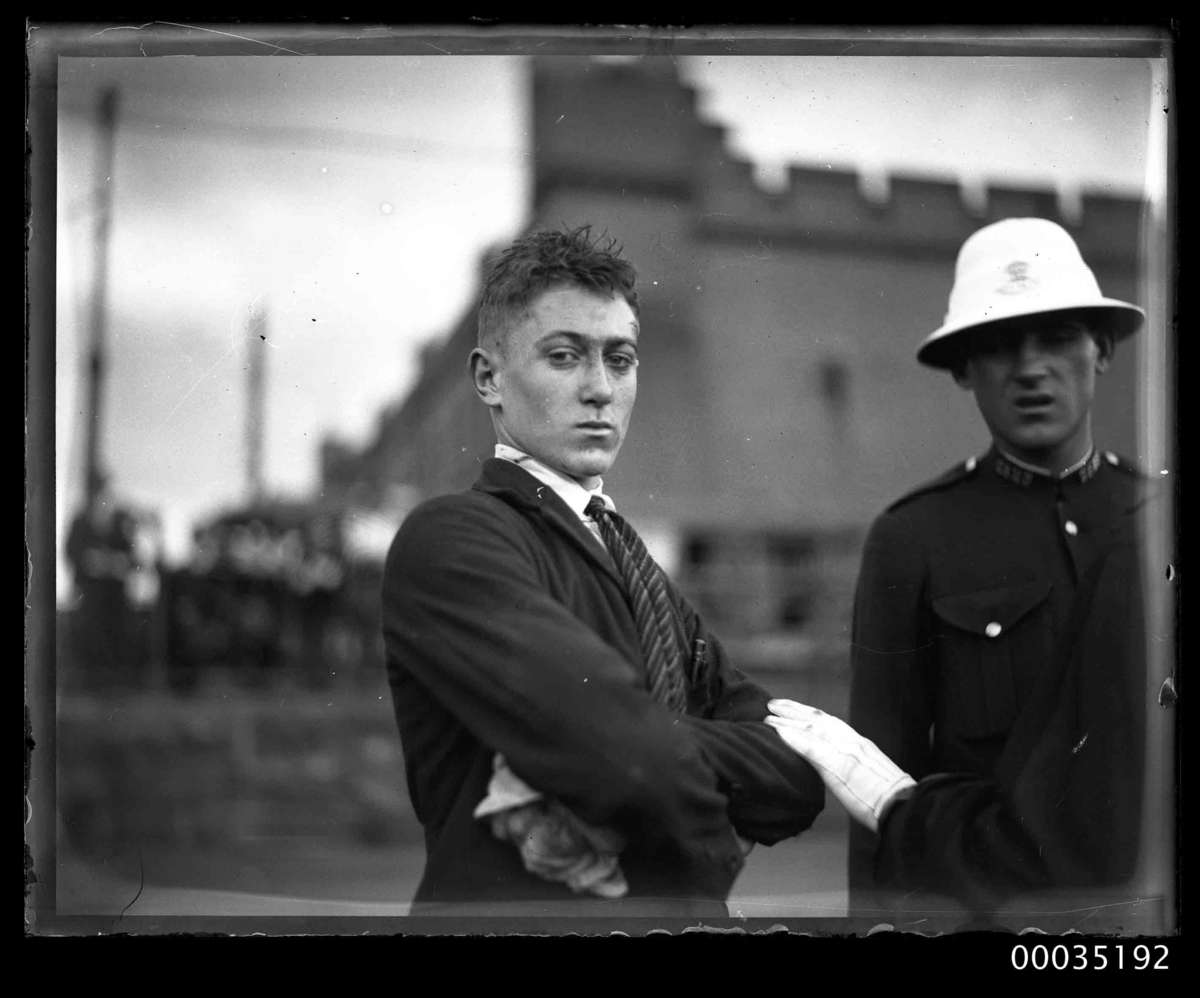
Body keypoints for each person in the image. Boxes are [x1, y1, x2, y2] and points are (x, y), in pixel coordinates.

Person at [380, 226, 824, 916]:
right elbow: (628, 757)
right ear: (489, 378)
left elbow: (795, 778)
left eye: (621, 360)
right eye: (564, 357)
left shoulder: (640, 569)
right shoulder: (452, 541)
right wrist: (659, 770)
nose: (600, 389)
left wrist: (626, 753)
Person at [768, 217, 1155, 922]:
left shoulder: (1156, 518)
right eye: (1000, 346)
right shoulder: (914, 539)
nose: (1031, 367)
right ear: (962, 369)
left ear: (1101, 349)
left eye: (1059, 338)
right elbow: (878, 788)